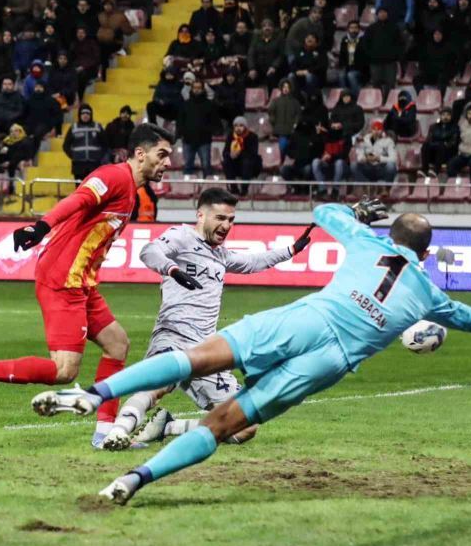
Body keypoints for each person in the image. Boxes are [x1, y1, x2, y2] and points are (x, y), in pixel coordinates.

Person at [32, 200, 471, 505]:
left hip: (305, 320)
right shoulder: (431, 296)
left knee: (197, 357)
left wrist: (354, 213)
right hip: (330, 361)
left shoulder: (367, 242)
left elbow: (324, 212)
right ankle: (133, 480)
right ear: (426, 251)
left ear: (391, 235)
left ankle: (93, 394)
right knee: (226, 424)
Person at [0, 124, 176, 452]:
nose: (167, 162)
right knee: (64, 370)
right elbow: (78, 199)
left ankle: (105, 433)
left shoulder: (132, 189)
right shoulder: (114, 176)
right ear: (140, 154)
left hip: (81, 281)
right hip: (63, 278)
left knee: (117, 345)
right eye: (162, 154)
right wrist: (40, 226)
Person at [101, 188, 313, 450]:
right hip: (174, 334)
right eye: (220, 218)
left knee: (245, 425)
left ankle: (168, 427)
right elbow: (149, 251)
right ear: (201, 215)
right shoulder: (181, 236)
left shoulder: (220, 255)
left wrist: (291, 250)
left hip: (207, 350)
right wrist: (172, 269)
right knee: (158, 385)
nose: (226, 225)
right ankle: (117, 433)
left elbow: (252, 262)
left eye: (231, 220)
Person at [176, 79, 220, 176]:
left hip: (204, 140)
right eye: (195, 88)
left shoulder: (209, 104)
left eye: (199, 88)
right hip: (188, 140)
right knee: (187, 166)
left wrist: (210, 130)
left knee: (206, 166)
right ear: (191, 89)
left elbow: (215, 121)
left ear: (203, 89)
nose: (196, 90)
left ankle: (207, 185)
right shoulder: (185, 104)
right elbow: (180, 121)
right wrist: (180, 133)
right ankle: (187, 185)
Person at [360, 7, 404, 100]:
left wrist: (396, 56)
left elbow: (400, 44)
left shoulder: (394, 28)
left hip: (390, 61)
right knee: (376, 83)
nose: (382, 14)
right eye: (380, 12)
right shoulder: (371, 28)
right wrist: (370, 55)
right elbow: (365, 44)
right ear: (377, 14)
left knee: (390, 83)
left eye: (384, 12)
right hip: (375, 61)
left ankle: (388, 101)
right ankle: (377, 101)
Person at [63, 103, 108, 181]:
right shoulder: (74, 128)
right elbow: (66, 145)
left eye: (87, 113)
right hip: (78, 166)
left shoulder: (97, 127)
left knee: (94, 187)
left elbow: (105, 144)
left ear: (91, 115)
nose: (85, 115)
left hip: (94, 165)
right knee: (80, 187)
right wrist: (74, 155)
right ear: (79, 115)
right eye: (83, 113)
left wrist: (99, 156)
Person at [0, 122, 34, 191]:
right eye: (11, 131)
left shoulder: (25, 141)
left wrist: (10, 162)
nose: (13, 133)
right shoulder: (7, 140)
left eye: (15, 131)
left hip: (19, 160)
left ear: (20, 131)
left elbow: (23, 155)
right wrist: (1, 151)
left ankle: (11, 187)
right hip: (8, 158)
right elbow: (2, 152)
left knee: (14, 164)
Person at [222, 116, 261, 196]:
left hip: (249, 164)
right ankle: (233, 188)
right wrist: (230, 155)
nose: (238, 128)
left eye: (241, 125)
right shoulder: (231, 136)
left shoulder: (253, 137)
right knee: (226, 162)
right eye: (236, 126)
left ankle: (244, 189)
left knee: (247, 162)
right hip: (235, 163)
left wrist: (238, 153)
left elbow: (253, 153)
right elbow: (225, 152)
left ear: (245, 127)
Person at [351, 120, 397, 185]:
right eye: (374, 129)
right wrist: (365, 158)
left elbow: (393, 158)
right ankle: (365, 185)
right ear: (371, 130)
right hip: (368, 166)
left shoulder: (388, 141)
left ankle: (386, 187)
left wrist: (379, 158)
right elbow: (359, 157)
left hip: (381, 167)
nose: (376, 131)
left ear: (382, 131)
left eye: (379, 129)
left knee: (391, 166)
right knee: (353, 166)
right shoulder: (364, 140)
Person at [312, 119, 350, 196]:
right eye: (333, 127)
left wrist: (331, 156)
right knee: (315, 162)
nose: (335, 130)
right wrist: (318, 134)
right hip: (327, 165)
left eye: (338, 128)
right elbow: (315, 151)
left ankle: (335, 190)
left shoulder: (346, 138)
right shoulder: (325, 137)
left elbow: (344, 155)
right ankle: (322, 189)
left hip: (342, 167)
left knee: (339, 162)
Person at [282, 117, 322, 187]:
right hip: (296, 164)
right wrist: (295, 155)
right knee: (284, 169)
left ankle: (304, 187)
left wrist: (317, 135)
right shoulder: (295, 135)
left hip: (308, 164)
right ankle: (295, 186)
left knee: (308, 169)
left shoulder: (314, 136)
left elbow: (318, 151)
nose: (304, 125)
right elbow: (287, 150)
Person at [247, 18, 284, 90]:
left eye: (269, 26)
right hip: (259, 68)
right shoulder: (256, 39)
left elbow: (281, 55)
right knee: (249, 78)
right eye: (264, 26)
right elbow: (251, 54)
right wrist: (252, 68)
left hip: (273, 68)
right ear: (261, 29)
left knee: (271, 77)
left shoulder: (279, 39)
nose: (267, 28)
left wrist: (274, 66)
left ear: (273, 28)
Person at [268, 78, 301, 156]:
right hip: (280, 130)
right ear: (281, 88)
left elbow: (298, 114)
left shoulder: (295, 102)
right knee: (282, 146)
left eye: (287, 87)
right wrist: (273, 120)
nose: (286, 89)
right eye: (284, 87)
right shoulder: (275, 101)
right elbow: (271, 111)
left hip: (292, 129)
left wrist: (296, 123)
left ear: (290, 89)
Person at [421, 106, 459, 174]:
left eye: (448, 115)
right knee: (425, 145)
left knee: (441, 146)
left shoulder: (455, 127)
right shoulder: (433, 127)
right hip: (434, 152)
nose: (445, 117)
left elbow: (453, 143)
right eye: (443, 115)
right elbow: (429, 139)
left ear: (451, 116)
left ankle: (435, 171)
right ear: (440, 116)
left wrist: (442, 144)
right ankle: (424, 170)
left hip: (447, 154)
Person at [338, 20, 365, 99]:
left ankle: (356, 98)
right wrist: (342, 66)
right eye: (351, 28)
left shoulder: (363, 40)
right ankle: (345, 97)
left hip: (361, 69)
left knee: (351, 75)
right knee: (341, 75)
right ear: (348, 29)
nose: (353, 30)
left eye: (355, 28)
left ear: (359, 29)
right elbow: (342, 55)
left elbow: (365, 58)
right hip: (348, 68)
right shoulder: (345, 40)